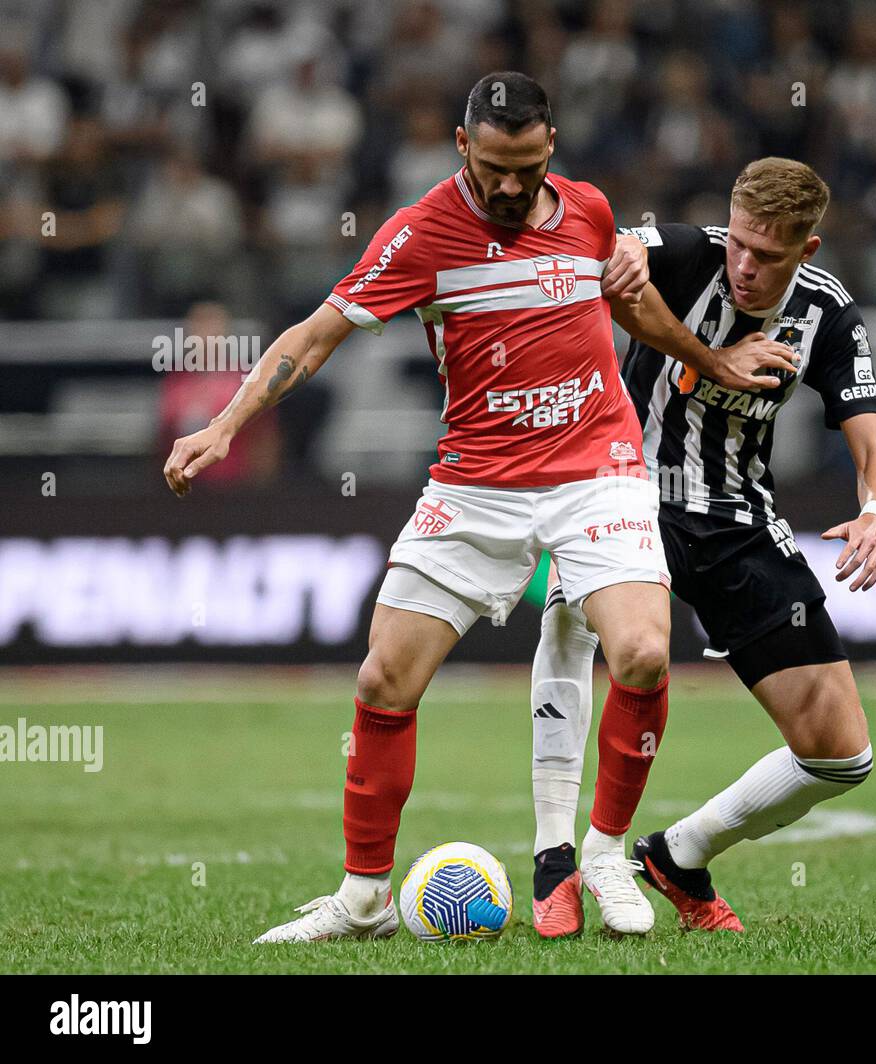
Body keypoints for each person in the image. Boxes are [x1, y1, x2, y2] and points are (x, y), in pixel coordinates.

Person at [162, 73, 797, 940]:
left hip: (595, 470)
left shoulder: (589, 211)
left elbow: (635, 309)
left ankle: (605, 857)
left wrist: (710, 361)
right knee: (385, 676)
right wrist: (225, 424)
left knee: (645, 653)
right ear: (464, 146)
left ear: (551, 146)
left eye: (527, 165)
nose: (509, 185)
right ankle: (363, 900)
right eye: (494, 166)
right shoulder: (420, 234)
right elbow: (314, 337)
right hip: (476, 481)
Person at [529, 157, 876, 936]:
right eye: (738, 243)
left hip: (736, 519)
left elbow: (874, 446)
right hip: (623, 493)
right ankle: (557, 857)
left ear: (809, 249)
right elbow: (612, 259)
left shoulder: (829, 314)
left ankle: (677, 855)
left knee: (842, 754)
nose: (743, 266)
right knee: (570, 624)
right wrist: (623, 250)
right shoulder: (685, 253)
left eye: (767, 255)